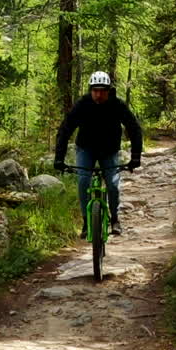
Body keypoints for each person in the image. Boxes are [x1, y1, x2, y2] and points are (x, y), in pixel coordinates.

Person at [54, 71, 143, 236]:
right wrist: (59, 158)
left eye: (102, 90)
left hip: (109, 151)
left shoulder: (117, 105)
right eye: (95, 90)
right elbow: (65, 130)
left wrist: (135, 156)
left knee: (113, 184)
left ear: (108, 90)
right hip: (85, 149)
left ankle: (115, 219)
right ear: (91, 90)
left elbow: (134, 128)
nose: (99, 94)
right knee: (83, 181)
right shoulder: (82, 105)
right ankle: (87, 221)